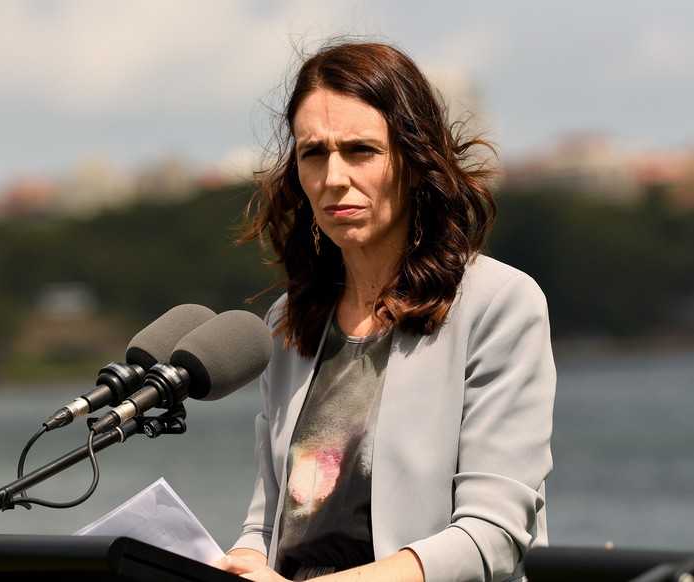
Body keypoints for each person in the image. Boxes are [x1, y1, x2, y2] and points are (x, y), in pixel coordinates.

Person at [212, 40, 555, 582]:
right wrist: (245, 558)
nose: (333, 177)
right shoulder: (288, 323)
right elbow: (271, 523)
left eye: (361, 150)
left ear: (416, 162)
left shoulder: (498, 303)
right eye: (313, 153)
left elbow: (492, 535)